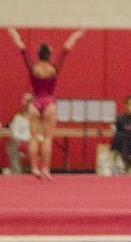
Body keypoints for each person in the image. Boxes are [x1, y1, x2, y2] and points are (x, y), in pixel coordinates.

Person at [7, 26, 85, 179]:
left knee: (34, 137)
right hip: (49, 102)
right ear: (49, 55)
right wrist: (76, 34)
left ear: (38, 55)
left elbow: (21, 48)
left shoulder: (33, 67)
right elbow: (65, 50)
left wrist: (12, 31)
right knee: (48, 138)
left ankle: (35, 168)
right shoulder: (54, 69)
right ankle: (46, 169)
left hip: (35, 103)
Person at [6, 92, 32, 174]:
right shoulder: (39, 117)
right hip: (33, 144)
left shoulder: (18, 117)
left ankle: (16, 171)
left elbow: (15, 134)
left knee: (10, 146)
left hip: (23, 143)